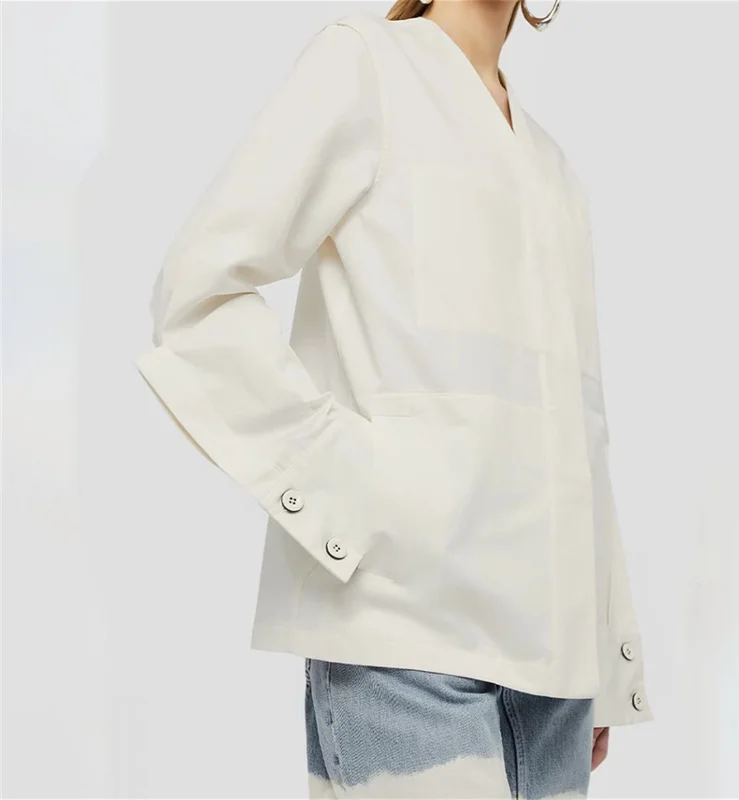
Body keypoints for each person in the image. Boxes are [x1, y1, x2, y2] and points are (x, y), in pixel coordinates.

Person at [134, 0, 654, 796]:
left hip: (555, 678)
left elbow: (580, 419)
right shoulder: (365, 65)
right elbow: (197, 296)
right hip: (405, 645)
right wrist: (345, 491)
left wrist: (603, 655)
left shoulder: (552, 168)